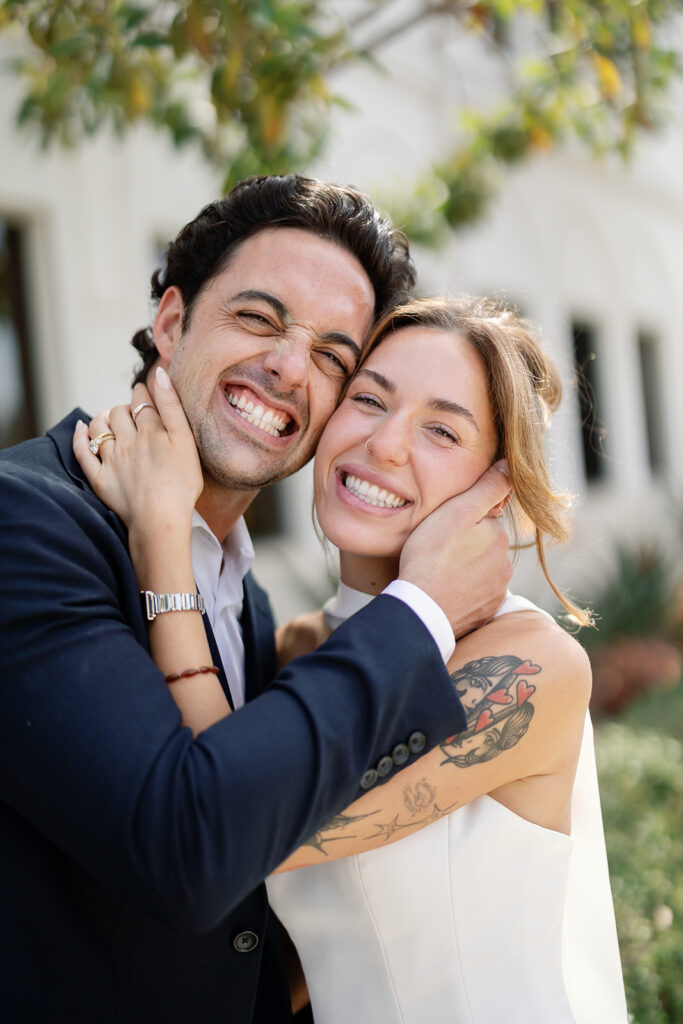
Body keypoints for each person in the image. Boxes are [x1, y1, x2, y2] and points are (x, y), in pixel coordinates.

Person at [0, 176, 513, 1024]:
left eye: (331, 359)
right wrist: (418, 610)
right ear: (171, 324)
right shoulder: (26, 521)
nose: (285, 367)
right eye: (258, 318)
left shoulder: (253, 603)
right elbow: (186, 850)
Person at [77, 296, 627, 1022]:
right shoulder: (291, 648)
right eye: (367, 399)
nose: (385, 444)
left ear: (495, 484)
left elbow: (238, 825)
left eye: (440, 429)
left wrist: (162, 532)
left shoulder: (529, 667)